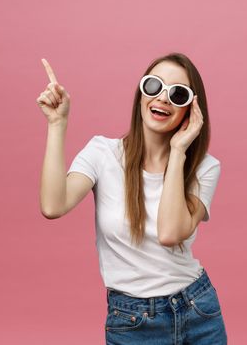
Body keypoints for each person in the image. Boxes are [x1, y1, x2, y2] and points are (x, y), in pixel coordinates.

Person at [37, 52, 227, 344]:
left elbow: (169, 232)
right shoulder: (102, 154)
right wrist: (56, 125)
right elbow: (53, 206)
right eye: (154, 86)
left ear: (191, 108)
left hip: (197, 310)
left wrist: (178, 153)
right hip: (132, 320)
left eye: (177, 94)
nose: (162, 98)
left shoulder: (204, 167)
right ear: (141, 93)